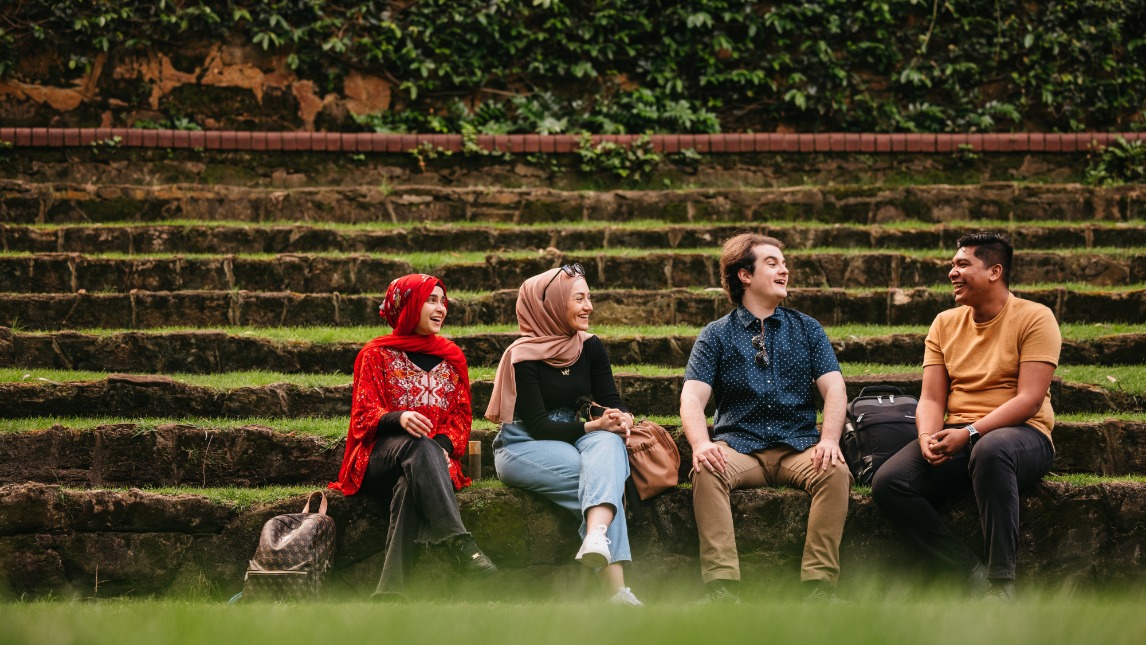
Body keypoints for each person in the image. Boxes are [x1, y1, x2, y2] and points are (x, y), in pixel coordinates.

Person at [872, 232, 1059, 603]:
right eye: (952, 264)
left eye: (962, 265)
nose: (951, 272)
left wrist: (970, 433)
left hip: (1022, 435)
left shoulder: (1036, 317)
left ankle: (1002, 585)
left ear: (994, 271)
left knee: (991, 450)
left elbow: (1030, 399)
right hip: (961, 436)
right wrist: (927, 436)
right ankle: (966, 573)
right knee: (889, 484)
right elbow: (930, 397)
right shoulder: (944, 322)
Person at [680, 233, 851, 604]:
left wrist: (830, 440)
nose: (784, 269)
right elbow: (692, 396)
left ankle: (819, 587)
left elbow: (835, 389)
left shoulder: (807, 328)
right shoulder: (716, 335)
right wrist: (701, 443)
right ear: (745, 274)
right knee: (707, 469)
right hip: (740, 450)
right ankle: (722, 587)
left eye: (784, 262)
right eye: (772, 262)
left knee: (836, 471)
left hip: (799, 447)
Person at [330, 273, 496, 601]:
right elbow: (363, 417)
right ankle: (458, 540)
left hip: (433, 460)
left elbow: (460, 419)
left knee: (412, 481)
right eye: (429, 301)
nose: (440, 308)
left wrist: (444, 448)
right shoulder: (375, 355)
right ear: (407, 307)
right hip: (380, 457)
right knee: (420, 447)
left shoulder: (452, 357)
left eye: (442, 301)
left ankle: (389, 591)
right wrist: (398, 417)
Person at [486, 264, 643, 606]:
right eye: (579, 298)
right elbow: (539, 425)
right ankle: (618, 593)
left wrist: (618, 417)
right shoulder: (522, 356)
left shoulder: (590, 346)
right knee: (603, 479)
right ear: (552, 304)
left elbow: (608, 402)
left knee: (608, 444)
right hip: (525, 445)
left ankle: (597, 536)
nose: (589, 306)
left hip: (579, 437)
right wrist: (594, 426)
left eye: (589, 297)